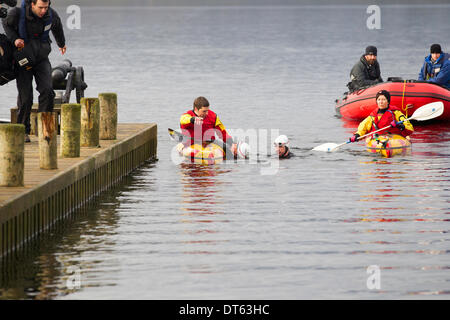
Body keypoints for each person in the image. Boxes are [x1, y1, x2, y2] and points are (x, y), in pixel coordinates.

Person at [2, 0, 66, 142]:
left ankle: (44, 128)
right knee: (26, 98)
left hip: (41, 59)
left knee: (48, 91)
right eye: (40, 7)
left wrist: (61, 43)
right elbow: (6, 24)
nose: (43, 11)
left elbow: (57, 27)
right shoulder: (16, 14)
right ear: (32, 4)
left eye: (46, 7)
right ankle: (22, 131)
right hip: (23, 60)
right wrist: (15, 39)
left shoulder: (51, 15)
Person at [348, 90, 413, 143]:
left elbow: (409, 128)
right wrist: (357, 135)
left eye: (383, 99)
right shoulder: (373, 116)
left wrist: (400, 126)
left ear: (388, 101)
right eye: (379, 100)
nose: (381, 102)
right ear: (376, 101)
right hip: (378, 139)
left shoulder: (396, 113)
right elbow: (363, 127)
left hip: (395, 139)